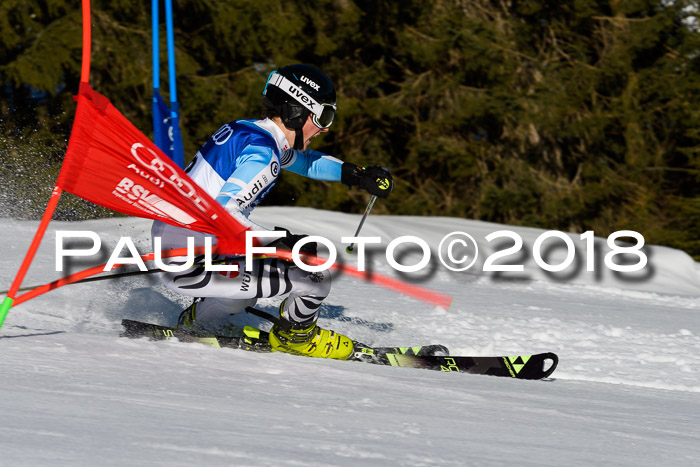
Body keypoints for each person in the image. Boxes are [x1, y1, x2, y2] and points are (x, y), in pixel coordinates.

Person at [151, 64, 393, 360]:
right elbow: (226, 213)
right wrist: (282, 242)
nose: (326, 127)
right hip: (194, 260)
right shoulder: (263, 154)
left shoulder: (248, 132)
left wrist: (357, 174)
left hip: (178, 249)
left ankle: (196, 325)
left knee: (243, 293)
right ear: (296, 112)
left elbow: (304, 162)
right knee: (315, 275)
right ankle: (297, 338)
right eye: (323, 116)